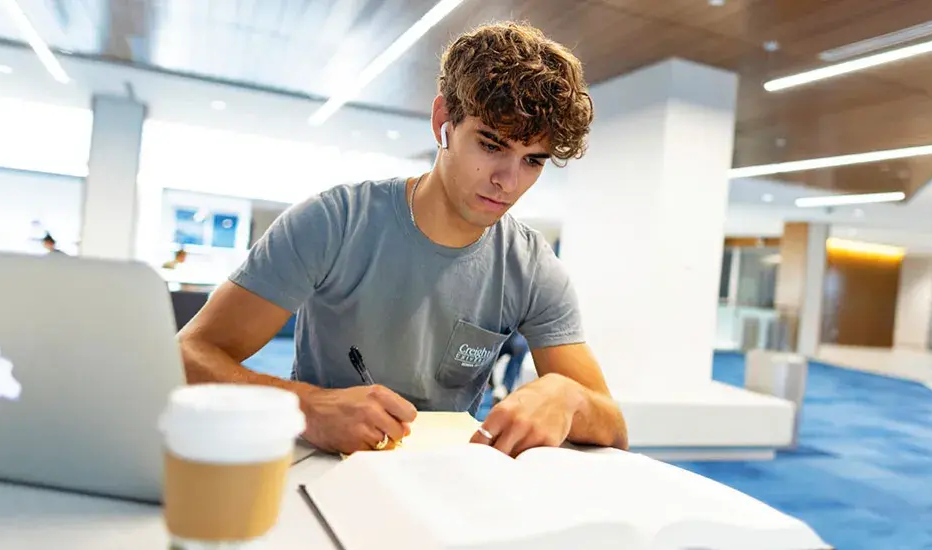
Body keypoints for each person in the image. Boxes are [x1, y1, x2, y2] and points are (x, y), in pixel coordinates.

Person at [178, 22, 628, 457]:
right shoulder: (333, 222)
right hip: (322, 469)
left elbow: (613, 426)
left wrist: (570, 399)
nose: (507, 182)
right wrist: (304, 406)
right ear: (443, 122)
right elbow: (188, 354)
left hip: (445, 484)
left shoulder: (531, 266)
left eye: (532, 161)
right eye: (491, 145)